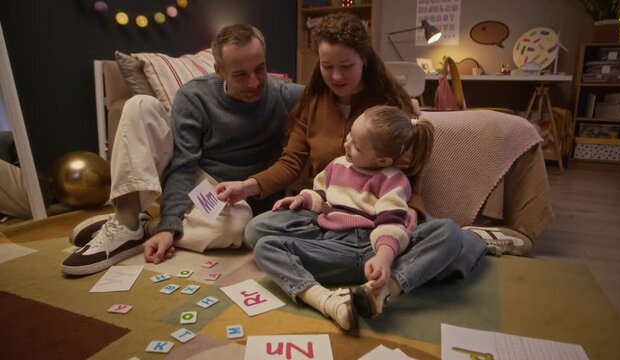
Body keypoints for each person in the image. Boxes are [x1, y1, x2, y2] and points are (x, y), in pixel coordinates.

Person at [216, 13, 528, 329]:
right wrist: (249, 187)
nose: (335, 76)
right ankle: (408, 265)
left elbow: (405, 176)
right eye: (327, 66)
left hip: (382, 214)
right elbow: (291, 163)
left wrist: (413, 214)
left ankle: (400, 276)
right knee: (257, 231)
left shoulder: (388, 105)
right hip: (331, 217)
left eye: (346, 66)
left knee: (447, 233)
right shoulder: (311, 103)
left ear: (364, 59)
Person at [61, 24, 304, 276]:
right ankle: (126, 220)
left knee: (237, 227)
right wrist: (171, 222)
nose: (254, 82)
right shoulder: (194, 96)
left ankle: (142, 228)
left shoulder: (283, 94)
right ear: (219, 71)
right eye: (241, 74)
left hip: (237, 195)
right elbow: (183, 166)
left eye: (260, 69)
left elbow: (330, 91)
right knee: (139, 105)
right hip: (201, 184)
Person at [253, 105, 434, 331]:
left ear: (383, 161)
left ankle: (383, 283)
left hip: (372, 247)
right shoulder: (337, 164)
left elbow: (390, 223)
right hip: (332, 246)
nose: (347, 145)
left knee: (444, 232)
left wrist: (383, 259)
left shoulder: (392, 179)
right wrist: (303, 199)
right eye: (349, 137)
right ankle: (329, 302)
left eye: (357, 146)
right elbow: (322, 194)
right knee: (263, 246)